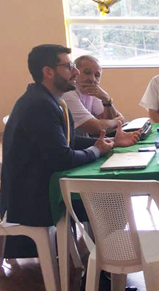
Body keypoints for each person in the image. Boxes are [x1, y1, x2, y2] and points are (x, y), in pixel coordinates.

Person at [0, 44, 140, 229]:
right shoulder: (39, 106)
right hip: (35, 200)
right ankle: (110, 256)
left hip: (46, 187)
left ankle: (95, 254)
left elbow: (69, 141)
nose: (75, 72)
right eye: (68, 67)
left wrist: (113, 142)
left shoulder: (50, 99)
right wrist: (97, 150)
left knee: (111, 191)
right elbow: (63, 158)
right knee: (111, 198)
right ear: (48, 72)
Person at [61, 55, 125, 137]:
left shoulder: (93, 92)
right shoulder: (68, 93)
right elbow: (97, 128)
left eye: (97, 75)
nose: (92, 79)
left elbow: (107, 122)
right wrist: (118, 121)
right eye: (87, 73)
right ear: (75, 72)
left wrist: (107, 100)